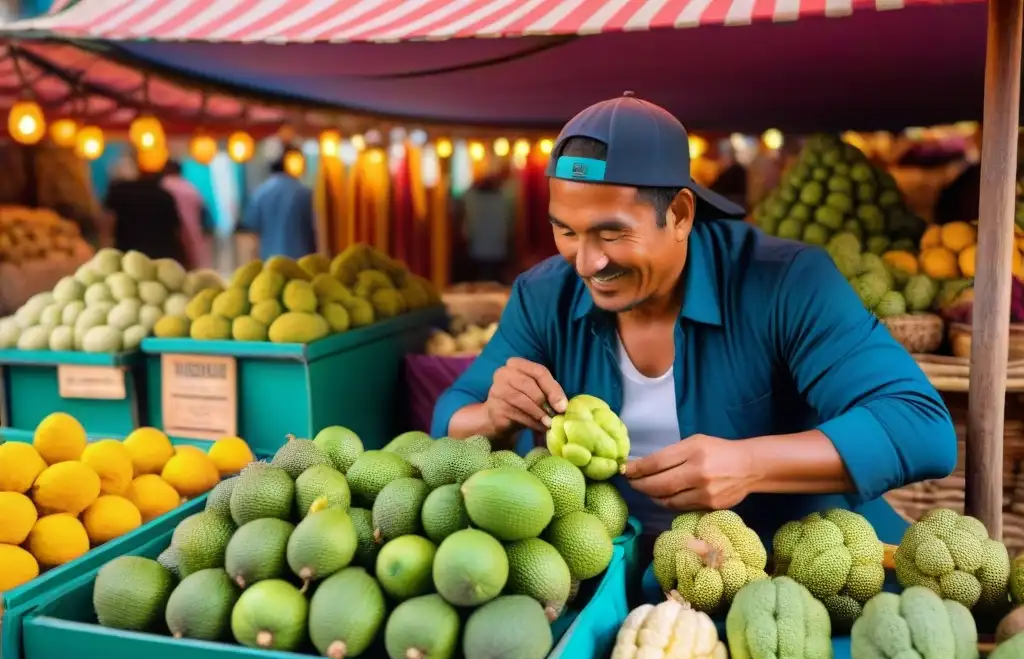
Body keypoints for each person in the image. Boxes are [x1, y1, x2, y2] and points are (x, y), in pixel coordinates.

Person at [431, 92, 957, 554]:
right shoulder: (545, 294)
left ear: (680, 215)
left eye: (611, 234)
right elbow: (450, 416)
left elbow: (920, 428)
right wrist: (492, 417)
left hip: (784, 579)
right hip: (616, 572)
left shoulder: (787, 283)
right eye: (565, 231)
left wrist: (751, 463)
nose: (587, 262)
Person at [237, 151, 316, 261]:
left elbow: (251, 233)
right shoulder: (305, 193)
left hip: (270, 263)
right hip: (301, 263)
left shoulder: (260, 193)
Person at [102, 162, 185, 263]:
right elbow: (176, 226)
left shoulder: (118, 193)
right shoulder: (164, 194)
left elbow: (108, 222)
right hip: (162, 254)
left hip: (128, 255)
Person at [459, 161, 515, 284]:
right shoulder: (504, 198)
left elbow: (465, 225)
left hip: (478, 248)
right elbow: (508, 225)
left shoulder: (471, 197)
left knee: (481, 279)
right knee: (494, 280)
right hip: (498, 248)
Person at [161, 159, 214, 271]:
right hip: (194, 240)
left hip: (169, 242)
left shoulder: (162, 187)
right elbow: (204, 217)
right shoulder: (191, 188)